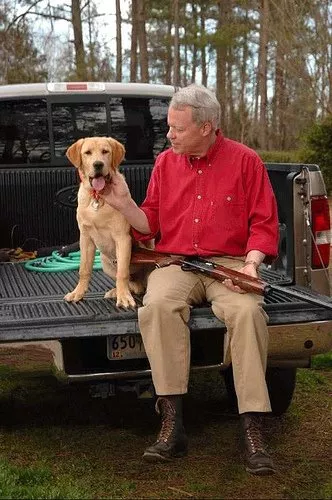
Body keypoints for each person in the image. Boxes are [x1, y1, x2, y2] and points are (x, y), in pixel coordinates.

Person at [101, 84, 279, 476]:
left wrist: (250, 266)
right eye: (169, 127)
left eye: (177, 128)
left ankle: (252, 427)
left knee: (249, 313)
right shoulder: (166, 163)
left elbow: (264, 224)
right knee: (158, 307)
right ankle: (172, 423)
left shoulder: (247, 162)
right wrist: (123, 204)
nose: (169, 134)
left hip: (230, 264)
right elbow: (150, 224)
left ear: (207, 126)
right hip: (177, 262)